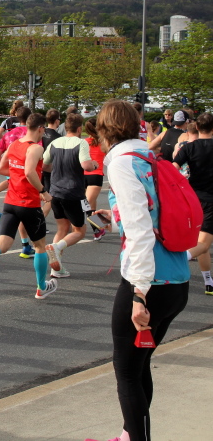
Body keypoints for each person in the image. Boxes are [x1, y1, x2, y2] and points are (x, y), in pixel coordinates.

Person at [88, 99, 189, 441]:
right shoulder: (149, 156)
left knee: (127, 372)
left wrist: (139, 293)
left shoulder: (121, 163)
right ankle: (129, 436)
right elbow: (151, 216)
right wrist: (115, 219)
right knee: (139, 366)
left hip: (149, 282)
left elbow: (142, 232)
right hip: (176, 278)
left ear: (105, 130)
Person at [0, 113, 57, 300]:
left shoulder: (14, 145)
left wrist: (18, 177)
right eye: (43, 130)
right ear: (40, 129)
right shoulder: (35, 148)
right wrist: (43, 191)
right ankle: (41, 287)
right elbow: (30, 172)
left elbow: (2, 169)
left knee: (3, 244)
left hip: (11, 202)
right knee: (40, 246)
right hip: (29, 203)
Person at [43, 113, 97, 278]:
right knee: (79, 231)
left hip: (55, 191)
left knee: (62, 228)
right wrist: (94, 165)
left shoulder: (55, 142)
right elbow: (86, 165)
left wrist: (57, 171)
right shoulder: (81, 143)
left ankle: (56, 269)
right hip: (73, 192)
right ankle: (56, 248)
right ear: (79, 129)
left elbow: (45, 165)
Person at [0, 105, 37, 257]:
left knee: (16, 207)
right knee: (27, 210)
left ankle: (25, 246)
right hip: (28, 176)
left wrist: (11, 167)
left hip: (13, 170)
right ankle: (30, 246)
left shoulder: (9, 134)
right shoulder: (32, 134)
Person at [173, 113, 213, 295]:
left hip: (193, 199)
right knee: (203, 244)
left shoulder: (189, 147)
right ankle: (181, 258)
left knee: (200, 241)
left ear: (197, 127)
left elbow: (173, 168)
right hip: (210, 200)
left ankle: (208, 281)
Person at [83, 117, 109, 241]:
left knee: (86, 204)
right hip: (92, 175)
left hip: (90, 175)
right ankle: (99, 229)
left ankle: (100, 227)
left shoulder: (85, 142)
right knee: (89, 205)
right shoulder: (104, 142)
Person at [41, 109, 62, 223]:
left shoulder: (40, 132)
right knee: (50, 198)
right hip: (49, 170)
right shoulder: (58, 138)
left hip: (37, 168)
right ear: (57, 121)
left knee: (39, 197)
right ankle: (38, 222)